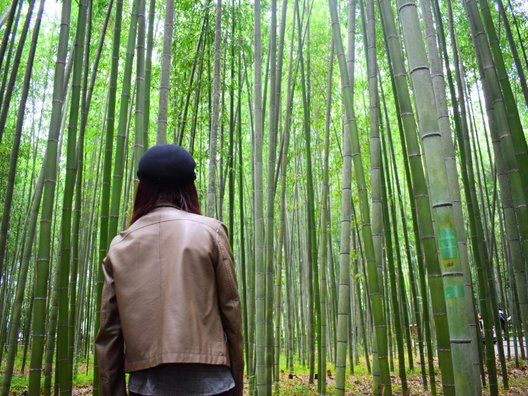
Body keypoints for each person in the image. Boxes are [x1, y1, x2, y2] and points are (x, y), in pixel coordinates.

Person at [95, 144, 244, 396]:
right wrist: (237, 378)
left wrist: (113, 391)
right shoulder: (211, 232)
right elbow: (231, 309)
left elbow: (109, 331)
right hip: (212, 382)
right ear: (190, 188)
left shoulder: (121, 245)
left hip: (147, 386)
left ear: (142, 189)